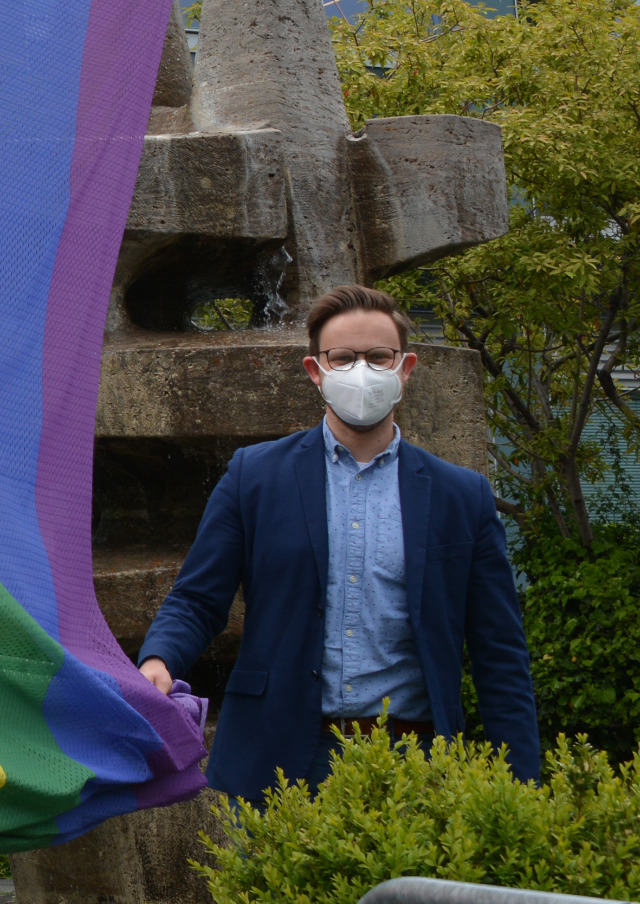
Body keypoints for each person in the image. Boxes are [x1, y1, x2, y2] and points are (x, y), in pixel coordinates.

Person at [137, 283, 540, 804]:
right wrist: (159, 662)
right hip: (275, 758)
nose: (362, 371)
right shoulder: (253, 477)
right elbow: (197, 599)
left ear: (406, 368)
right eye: (343, 358)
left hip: (412, 761)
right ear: (316, 371)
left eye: (378, 356)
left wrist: (523, 787)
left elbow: (499, 653)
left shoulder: (461, 495)